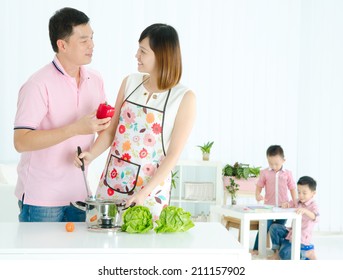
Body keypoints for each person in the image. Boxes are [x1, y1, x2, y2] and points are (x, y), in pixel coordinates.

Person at [75, 23, 196, 220]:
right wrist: (91, 154)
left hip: (149, 191)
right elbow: (112, 130)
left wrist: (143, 193)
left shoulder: (184, 97)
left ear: (162, 55)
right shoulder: (130, 82)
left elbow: (173, 155)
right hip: (113, 182)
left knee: (142, 246)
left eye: (143, 51)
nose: (136, 56)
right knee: (102, 243)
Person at [13, 7, 111, 222]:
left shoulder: (95, 80)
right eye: (84, 40)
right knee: (40, 257)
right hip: (42, 200)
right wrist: (75, 129)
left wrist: (92, 153)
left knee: (75, 257)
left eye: (92, 38)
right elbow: (21, 142)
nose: (92, 45)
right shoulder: (37, 84)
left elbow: (106, 127)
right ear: (62, 45)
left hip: (80, 196)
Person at [252, 145, 297, 253]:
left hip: (283, 207)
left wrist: (295, 202)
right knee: (264, 227)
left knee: (277, 228)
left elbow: (292, 188)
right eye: (270, 163)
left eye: (276, 163)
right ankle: (256, 248)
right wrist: (257, 195)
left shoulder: (288, 173)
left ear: (283, 160)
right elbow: (259, 186)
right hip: (268, 207)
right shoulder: (265, 172)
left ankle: (277, 250)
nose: (273, 166)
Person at [268, 176, 319, 260]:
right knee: (274, 227)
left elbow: (316, 217)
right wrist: (286, 204)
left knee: (284, 254)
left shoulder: (313, 205)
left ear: (313, 193)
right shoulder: (298, 201)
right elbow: (289, 203)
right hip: (291, 233)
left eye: (304, 193)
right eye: (299, 192)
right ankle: (276, 252)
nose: (301, 195)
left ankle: (307, 253)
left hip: (301, 238)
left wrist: (305, 211)